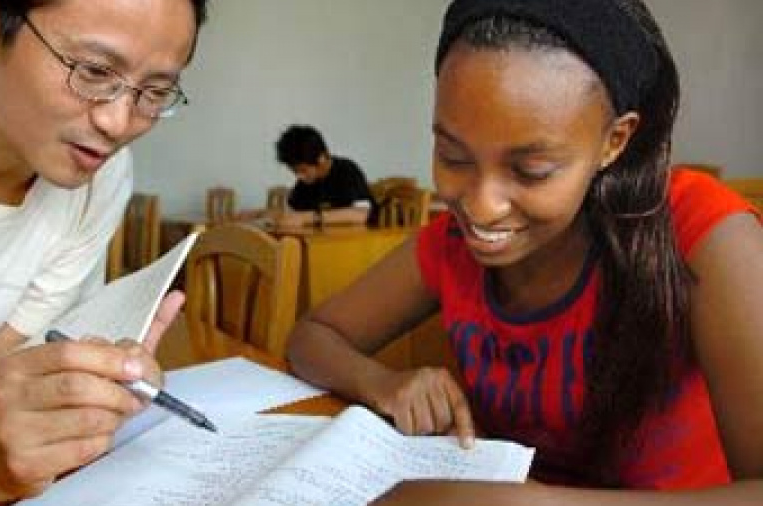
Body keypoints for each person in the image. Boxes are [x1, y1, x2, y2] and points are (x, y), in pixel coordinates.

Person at [287, 0, 763, 503]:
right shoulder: (450, 245)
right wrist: (381, 381)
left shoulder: (700, 232)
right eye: (453, 156)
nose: (481, 206)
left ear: (614, 141)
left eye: (532, 170)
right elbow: (311, 338)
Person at [0, 0, 207, 503]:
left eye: (154, 92)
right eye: (92, 71)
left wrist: (82, 389)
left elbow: (15, 359)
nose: (117, 122)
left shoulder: (99, 177)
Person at [268, 124, 377, 228]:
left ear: (321, 159)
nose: (299, 176)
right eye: (295, 172)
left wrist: (310, 218)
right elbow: (293, 211)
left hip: (358, 242)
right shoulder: (306, 182)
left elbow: (361, 214)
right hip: (322, 241)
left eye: (303, 170)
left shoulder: (347, 170)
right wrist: (269, 216)